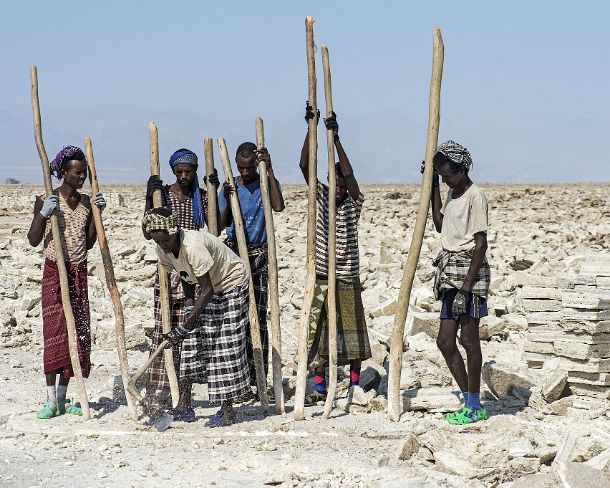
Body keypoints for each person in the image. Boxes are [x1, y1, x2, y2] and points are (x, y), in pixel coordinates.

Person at [142, 207, 251, 427]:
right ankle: (184, 405)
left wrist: (185, 325)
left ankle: (227, 410)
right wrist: (190, 307)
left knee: (223, 344)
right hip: (206, 288)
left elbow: (208, 289)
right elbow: (185, 274)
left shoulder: (192, 245)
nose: (162, 245)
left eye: (165, 240)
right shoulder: (163, 250)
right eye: (158, 241)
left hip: (231, 284)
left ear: (174, 232)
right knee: (191, 344)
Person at [299, 103, 372, 405]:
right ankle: (320, 385)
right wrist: (311, 128)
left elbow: (352, 177)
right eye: (336, 182)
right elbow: (305, 166)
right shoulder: (322, 196)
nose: (340, 188)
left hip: (346, 276)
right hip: (322, 276)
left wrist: (336, 138)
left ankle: (354, 384)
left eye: (342, 183)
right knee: (318, 331)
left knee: (351, 333)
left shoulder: (352, 204)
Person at [27, 145, 106, 419]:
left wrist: (98, 215)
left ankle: (64, 397)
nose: (81, 177)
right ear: (64, 173)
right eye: (77, 173)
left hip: (78, 271)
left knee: (78, 333)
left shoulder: (85, 203)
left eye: (84, 173)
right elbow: (33, 239)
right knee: (55, 332)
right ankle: (50, 399)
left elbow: (89, 243)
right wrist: (43, 214)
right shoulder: (46, 199)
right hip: (54, 271)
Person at [142, 148, 219, 419]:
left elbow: (215, 229)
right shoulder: (162, 195)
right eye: (180, 171)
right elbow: (148, 231)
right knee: (165, 332)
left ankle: (184, 398)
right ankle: (158, 393)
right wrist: (148, 201)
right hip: (169, 271)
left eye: (189, 172)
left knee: (188, 339)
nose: (184, 176)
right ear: (173, 171)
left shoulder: (202, 197)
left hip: (196, 271)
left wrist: (217, 194)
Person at [428, 140, 491, 424]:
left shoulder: (475, 197)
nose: (446, 180)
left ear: (462, 169)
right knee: (445, 341)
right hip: (450, 272)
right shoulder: (453, 192)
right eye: (442, 177)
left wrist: (466, 289)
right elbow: (441, 225)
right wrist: (432, 189)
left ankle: (474, 405)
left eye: (448, 175)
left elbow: (480, 245)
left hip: (469, 273)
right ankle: (469, 399)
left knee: (468, 339)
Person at [218, 142, 284, 390]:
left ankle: (260, 379)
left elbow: (277, 206)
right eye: (241, 168)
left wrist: (269, 170)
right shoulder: (231, 186)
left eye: (249, 167)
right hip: (234, 253)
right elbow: (220, 226)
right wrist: (226, 196)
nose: (245, 173)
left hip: (259, 255)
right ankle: (238, 380)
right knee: (235, 318)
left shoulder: (265, 184)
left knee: (259, 319)